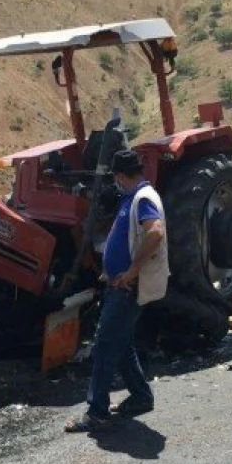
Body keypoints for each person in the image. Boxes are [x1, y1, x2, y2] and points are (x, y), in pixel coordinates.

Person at [66, 149, 169, 434]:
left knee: (103, 346)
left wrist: (132, 270)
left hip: (127, 288)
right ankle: (141, 396)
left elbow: (155, 231)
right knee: (121, 343)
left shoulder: (143, 198)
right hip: (119, 283)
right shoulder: (133, 197)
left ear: (121, 176)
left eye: (116, 177)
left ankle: (96, 413)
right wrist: (110, 270)